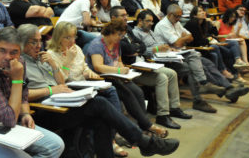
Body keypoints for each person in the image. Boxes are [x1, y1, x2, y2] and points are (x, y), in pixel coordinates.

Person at [20, 24, 180, 158]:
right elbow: (22, 95)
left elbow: (60, 81)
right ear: (22, 43)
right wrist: (50, 89)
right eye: (34, 42)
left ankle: (140, 141)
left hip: (61, 100)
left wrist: (54, 67)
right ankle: (143, 141)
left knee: (103, 118)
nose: (38, 46)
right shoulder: (20, 65)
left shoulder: (42, 58)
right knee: (100, 104)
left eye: (39, 41)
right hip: (44, 111)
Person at [0, 27, 65, 157]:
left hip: (8, 127)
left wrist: (26, 113)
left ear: (20, 52)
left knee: (56, 145)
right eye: (2, 50)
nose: (8, 57)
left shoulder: (19, 62)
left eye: (14, 52)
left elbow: (24, 92)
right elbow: (9, 119)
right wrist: (16, 80)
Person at [154, 4, 226, 112]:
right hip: (167, 58)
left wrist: (184, 38)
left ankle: (206, 85)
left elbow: (190, 37)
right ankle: (200, 96)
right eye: (177, 16)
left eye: (180, 16)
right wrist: (184, 38)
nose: (179, 19)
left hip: (180, 54)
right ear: (169, 14)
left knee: (198, 57)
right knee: (193, 66)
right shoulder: (163, 25)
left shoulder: (176, 22)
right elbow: (178, 43)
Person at [130, 11, 194, 128]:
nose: (151, 23)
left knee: (172, 73)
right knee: (163, 77)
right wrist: (156, 49)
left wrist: (168, 48)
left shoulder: (150, 31)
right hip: (145, 63)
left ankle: (174, 108)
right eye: (148, 21)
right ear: (140, 21)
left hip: (159, 59)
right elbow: (140, 51)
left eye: (151, 21)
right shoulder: (135, 34)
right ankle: (162, 115)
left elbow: (159, 44)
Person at [185, 6, 248, 83]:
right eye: (200, 11)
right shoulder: (192, 24)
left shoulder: (205, 23)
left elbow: (214, 33)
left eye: (203, 11)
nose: (203, 12)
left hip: (208, 46)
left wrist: (211, 22)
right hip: (198, 48)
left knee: (230, 50)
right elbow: (200, 41)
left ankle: (236, 72)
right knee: (217, 49)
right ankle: (224, 71)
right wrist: (209, 39)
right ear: (194, 15)